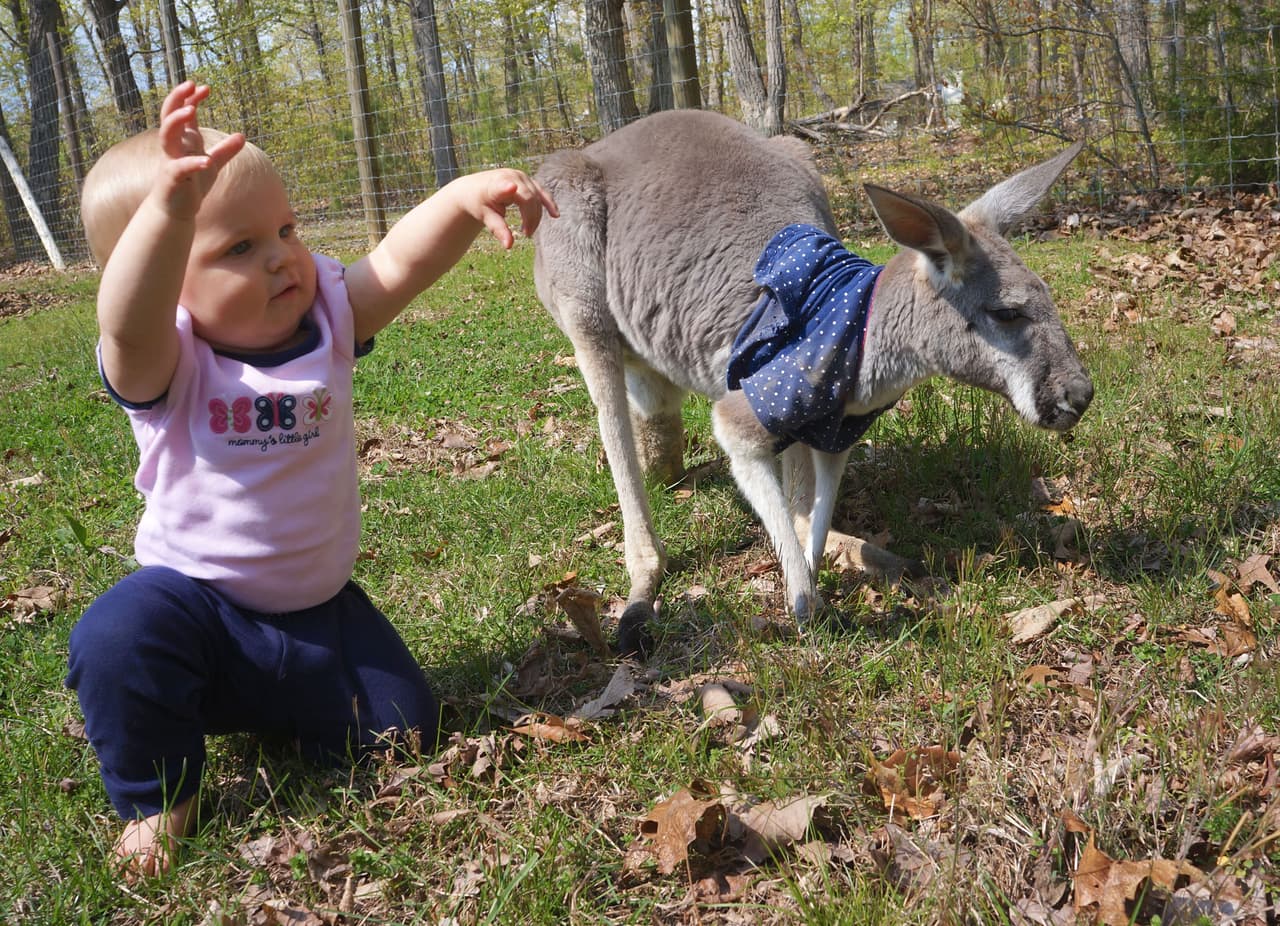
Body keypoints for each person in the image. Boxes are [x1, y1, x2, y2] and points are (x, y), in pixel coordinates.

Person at [67, 81, 557, 877]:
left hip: (317, 616)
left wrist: (464, 198)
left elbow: (397, 263)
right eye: (236, 247)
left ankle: (291, 709)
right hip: (196, 614)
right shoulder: (166, 361)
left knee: (405, 730)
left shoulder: (327, 319)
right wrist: (168, 210)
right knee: (116, 636)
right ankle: (162, 797)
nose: (280, 256)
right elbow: (126, 316)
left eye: (285, 230)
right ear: (164, 279)